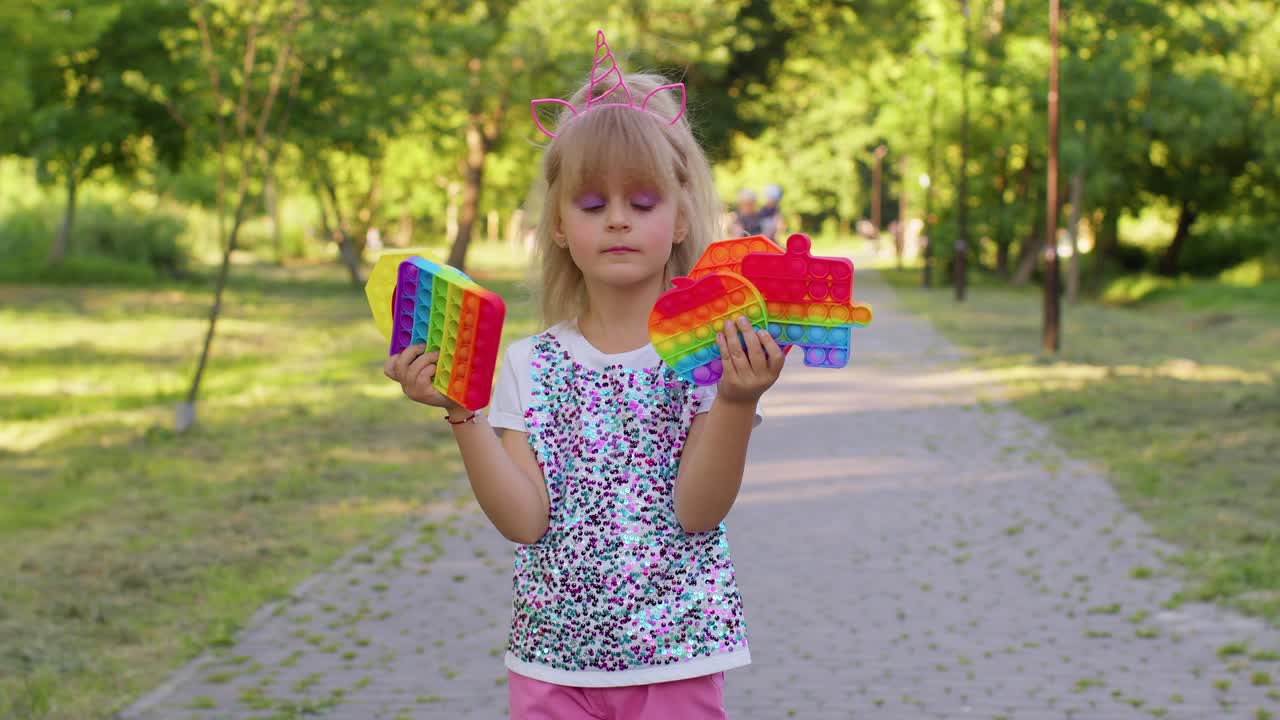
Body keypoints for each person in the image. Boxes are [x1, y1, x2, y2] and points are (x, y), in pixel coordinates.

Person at [383, 31, 783, 720]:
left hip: (678, 656)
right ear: (561, 226)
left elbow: (699, 511)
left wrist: (738, 402)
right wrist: (462, 413)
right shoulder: (528, 365)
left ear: (682, 211)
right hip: (551, 664)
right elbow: (524, 521)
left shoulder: (708, 356)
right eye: (593, 205)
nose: (619, 220)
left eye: (643, 202)